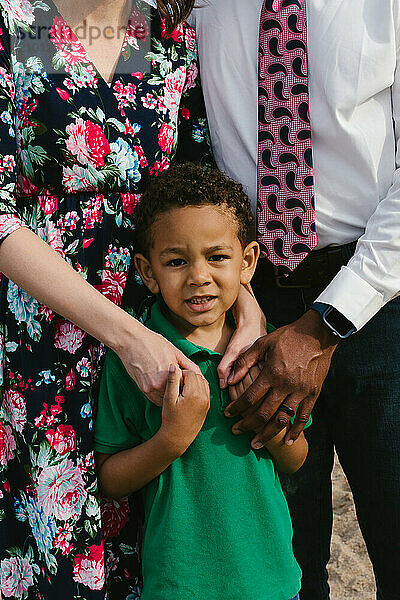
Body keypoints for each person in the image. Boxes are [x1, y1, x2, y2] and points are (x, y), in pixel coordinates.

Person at [0, 2, 264, 598]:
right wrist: (127, 336)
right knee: (65, 553)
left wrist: (248, 307)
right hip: (52, 341)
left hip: (172, 321)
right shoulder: (18, 20)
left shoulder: (165, 24)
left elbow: (204, 188)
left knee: (168, 542)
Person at [189, 2, 400, 599]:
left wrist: (325, 325)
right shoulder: (196, 5)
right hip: (247, 312)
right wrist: (242, 302)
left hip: (379, 297)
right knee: (279, 565)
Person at [94, 162, 308, 600]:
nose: (198, 276)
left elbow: (297, 458)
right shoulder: (134, 363)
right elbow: (109, 478)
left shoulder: (265, 355)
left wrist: (262, 414)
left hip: (269, 579)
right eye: (176, 261)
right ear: (148, 272)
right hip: (178, 585)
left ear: (247, 262)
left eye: (217, 257)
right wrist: (170, 439)